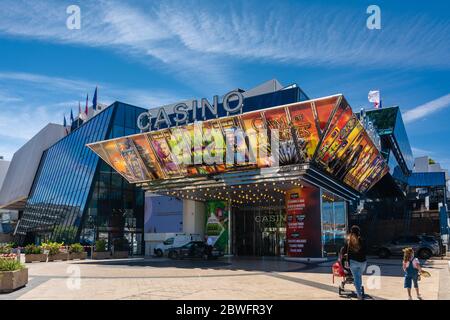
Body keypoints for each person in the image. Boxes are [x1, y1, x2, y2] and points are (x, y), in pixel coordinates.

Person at [341, 225, 367, 300]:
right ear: (359, 232)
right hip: (363, 262)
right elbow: (366, 250)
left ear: (351, 232)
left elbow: (345, 251)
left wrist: (346, 260)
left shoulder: (349, 240)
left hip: (353, 262)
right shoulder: (362, 240)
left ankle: (359, 294)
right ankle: (358, 290)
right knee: (358, 276)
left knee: (357, 277)